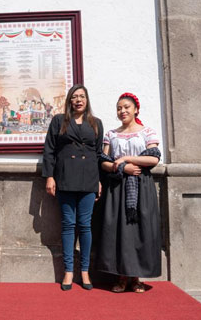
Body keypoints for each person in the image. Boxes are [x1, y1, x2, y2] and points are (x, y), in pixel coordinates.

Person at [94, 92, 161, 293]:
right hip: (116, 187)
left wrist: (126, 159)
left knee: (139, 231)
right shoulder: (111, 135)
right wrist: (121, 168)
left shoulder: (147, 132)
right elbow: (104, 161)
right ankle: (121, 277)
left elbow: (154, 159)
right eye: (119, 108)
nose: (122, 111)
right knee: (118, 231)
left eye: (126, 107)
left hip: (142, 187)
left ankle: (136, 277)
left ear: (136, 109)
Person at [42, 84, 104, 291]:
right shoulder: (59, 121)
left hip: (88, 179)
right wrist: (50, 176)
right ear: (69, 101)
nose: (78, 100)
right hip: (65, 177)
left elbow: (97, 154)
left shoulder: (96, 123)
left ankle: (84, 270)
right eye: (74, 97)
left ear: (87, 100)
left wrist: (98, 180)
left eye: (82, 97)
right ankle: (69, 271)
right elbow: (49, 150)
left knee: (85, 225)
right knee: (68, 224)